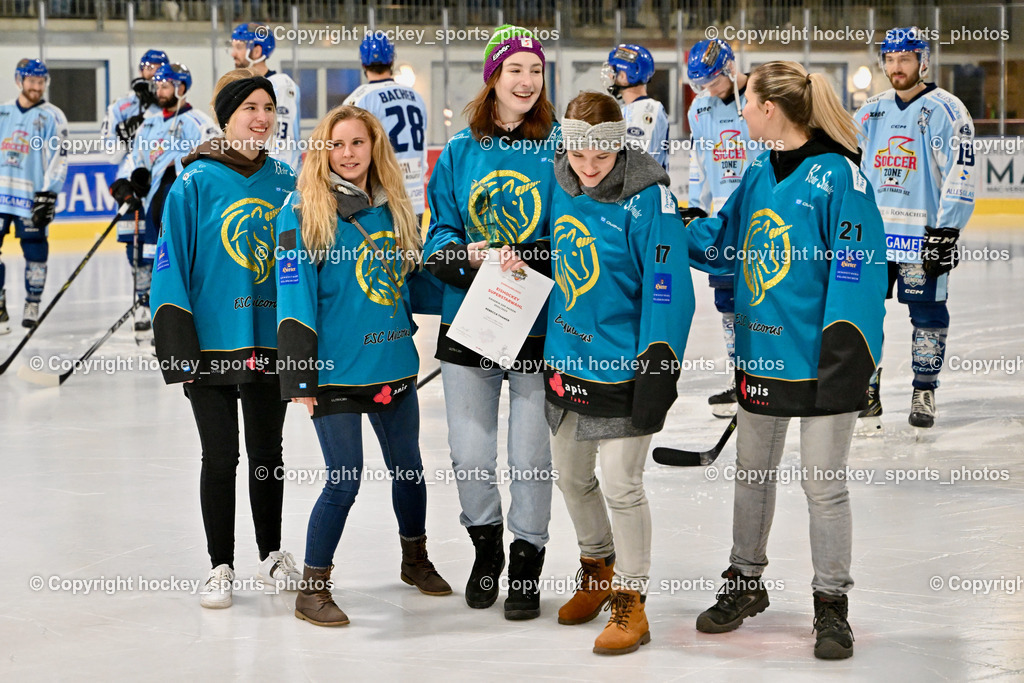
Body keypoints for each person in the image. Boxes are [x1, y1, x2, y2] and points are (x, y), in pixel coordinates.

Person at [686, 61, 887, 660]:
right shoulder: (757, 169)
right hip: (760, 355)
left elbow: (856, 273)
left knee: (823, 487)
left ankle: (832, 606)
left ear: (770, 108)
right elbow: (723, 239)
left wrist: (845, 358)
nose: (739, 110)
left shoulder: (840, 178)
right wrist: (666, 221)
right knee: (753, 478)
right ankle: (745, 582)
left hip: (821, 360)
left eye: (745, 100)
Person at [275, 104, 450, 627]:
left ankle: (414, 559)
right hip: (334, 372)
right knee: (343, 479)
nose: (347, 154)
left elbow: (411, 281)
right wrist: (299, 376)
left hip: (392, 361)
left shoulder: (395, 205)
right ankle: (313, 587)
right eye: (337, 144)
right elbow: (293, 294)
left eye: (357, 143)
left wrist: (479, 282)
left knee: (410, 468)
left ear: (374, 147)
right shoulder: (301, 209)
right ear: (322, 150)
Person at [546, 91, 695, 655]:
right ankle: (597, 565)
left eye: (602, 154)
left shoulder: (648, 198)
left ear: (620, 145)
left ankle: (632, 602)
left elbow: (668, 288)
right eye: (579, 153)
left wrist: (659, 363)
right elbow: (558, 253)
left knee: (622, 485)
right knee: (569, 476)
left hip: (625, 369)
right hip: (565, 362)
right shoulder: (560, 181)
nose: (589, 167)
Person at [150, 69, 301, 609]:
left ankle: (272, 552)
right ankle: (220, 565)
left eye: (270, 109)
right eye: (250, 109)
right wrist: (179, 349)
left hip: (269, 342)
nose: (262, 119)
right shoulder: (194, 183)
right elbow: (170, 268)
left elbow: (305, 264)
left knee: (267, 451)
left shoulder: (287, 180)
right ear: (227, 116)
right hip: (211, 347)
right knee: (220, 456)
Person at [423, 25, 558, 621]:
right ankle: (486, 552)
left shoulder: (559, 146)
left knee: (530, 456)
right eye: (515, 70)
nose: (526, 81)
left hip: (536, 324)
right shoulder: (459, 152)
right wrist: (471, 255)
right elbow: (439, 236)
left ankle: (526, 564)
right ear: (493, 78)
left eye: (535, 70)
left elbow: (576, 234)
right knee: (470, 454)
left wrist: (531, 255)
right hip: (472, 323)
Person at [855, 26, 976, 430]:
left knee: (926, 313)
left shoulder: (948, 110)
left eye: (904, 59)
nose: (895, 67)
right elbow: (847, 163)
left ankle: (924, 389)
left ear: (923, 61)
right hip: (873, 238)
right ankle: (866, 389)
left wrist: (946, 231)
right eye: (889, 59)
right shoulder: (870, 110)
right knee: (863, 313)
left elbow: (961, 171)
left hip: (919, 238)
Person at [110, 62, 220, 341]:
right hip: (150, 204)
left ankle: (185, 311)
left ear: (181, 88)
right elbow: (135, 158)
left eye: (166, 85)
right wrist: (127, 181)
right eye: (158, 85)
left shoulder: (198, 122)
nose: (159, 90)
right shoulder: (150, 121)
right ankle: (146, 308)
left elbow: (214, 163)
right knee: (142, 256)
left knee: (180, 259)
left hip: (183, 208)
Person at [685, 38, 754, 418]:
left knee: (762, 298)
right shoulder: (700, 107)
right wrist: (697, 204)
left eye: (712, 81)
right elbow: (698, 160)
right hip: (721, 221)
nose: (707, 90)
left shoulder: (760, 94)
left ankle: (769, 375)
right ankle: (739, 377)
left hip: (758, 218)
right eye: (701, 84)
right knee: (727, 303)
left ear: (729, 68)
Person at [100, 48, 169, 335]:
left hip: (161, 187)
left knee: (160, 248)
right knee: (136, 248)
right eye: (148, 67)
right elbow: (110, 154)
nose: (152, 73)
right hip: (131, 185)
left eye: (158, 68)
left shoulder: (171, 109)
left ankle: (160, 302)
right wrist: (123, 134)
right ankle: (142, 302)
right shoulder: (121, 107)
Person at [0, 58, 67, 333]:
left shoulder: (53, 116)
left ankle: (32, 303)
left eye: (41, 82)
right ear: (20, 80)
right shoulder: (2, 112)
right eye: (31, 81)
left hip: (31, 198)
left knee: (36, 253)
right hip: (1, 195)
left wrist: (48, 194)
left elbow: (59, 158)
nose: (36, 87)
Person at [343, 33, 429, 226]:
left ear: (364, 64)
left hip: (382, 198)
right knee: (414, 255)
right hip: (414, 197)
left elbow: (348, 151)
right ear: (391, 60)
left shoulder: (360, 98)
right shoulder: (416, 97)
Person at [231, 22, 301, 171]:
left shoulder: (280, 85)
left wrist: (279, 178)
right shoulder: (240, 86)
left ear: (256, 51)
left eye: (239, 47)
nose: (233, 53)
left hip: (273, 176)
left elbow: (282, 141)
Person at [602, 44, 669, 171]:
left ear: (624, 76)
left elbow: (636, 167)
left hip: (641, 190)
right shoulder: (633, 108)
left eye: (613, 72)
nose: (610, 76)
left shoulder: (644, 111)